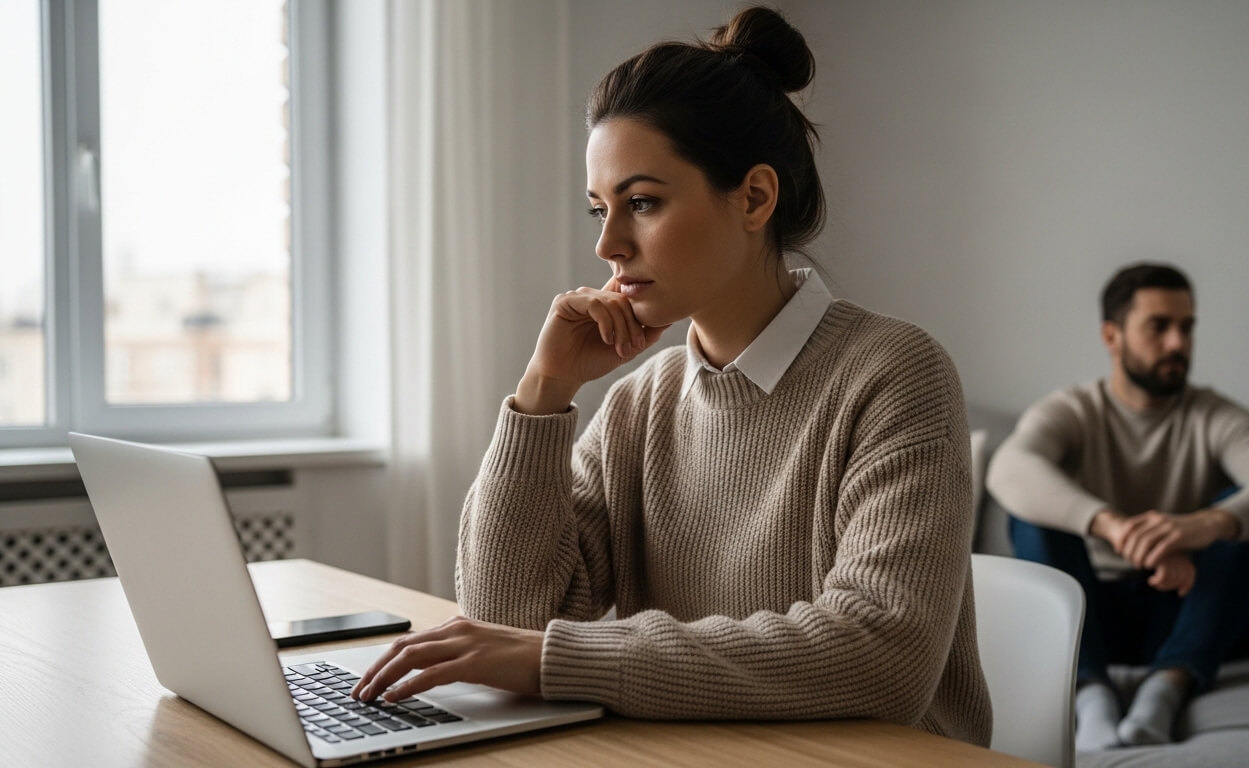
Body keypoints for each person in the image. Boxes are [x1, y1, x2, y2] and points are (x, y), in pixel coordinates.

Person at [351, 6, 992, 745]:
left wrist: (567, 660)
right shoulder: (640, 402)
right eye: (599, 208)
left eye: (642, 203)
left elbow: (880, 655)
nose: (607, 245)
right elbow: (507, 617)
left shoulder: (894, 375)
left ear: (754, 198)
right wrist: (542, 394)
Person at [987, 262, 1249, 751]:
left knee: (1243, 518)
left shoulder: (1215, 416)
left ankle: (1165, 693)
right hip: (1088, 615)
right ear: (1112, 335)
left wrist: (1200, 527)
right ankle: (1090, 698)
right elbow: (1008, 469)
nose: (1178, 343)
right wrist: (1112, 526)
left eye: (1186, 327)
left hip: (1179, 612)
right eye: (1159, 327)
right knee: (1032, 514)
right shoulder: (1075, 409)